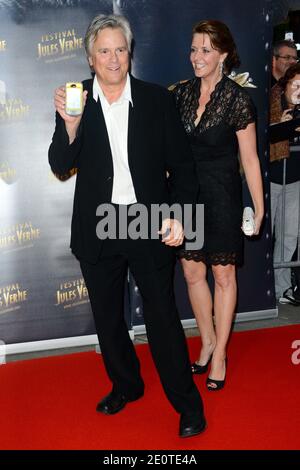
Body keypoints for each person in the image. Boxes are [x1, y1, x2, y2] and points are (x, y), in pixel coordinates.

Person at [48, 14, 206, 438]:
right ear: (90, 57)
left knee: (163, 319)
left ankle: (187, 404)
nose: (114, 58)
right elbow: (61, 165)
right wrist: (70, 126)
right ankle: (126, 385)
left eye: (121, 49)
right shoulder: (76, 100)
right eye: (104, 50)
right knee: (108, 318)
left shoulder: (157, 101)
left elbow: (184, 169)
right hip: (99, 224)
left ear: (130, 52)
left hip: (148, 220)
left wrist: (179, 215)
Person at [172, 20, 264, 390]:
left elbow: (252, 159)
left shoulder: (238, 99)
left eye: (206, 50)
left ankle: (221, 352)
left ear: (223, 54)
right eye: (194, 49)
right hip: (185, 196)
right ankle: (207, 340)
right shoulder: (180, 95)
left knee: (223, 276)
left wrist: (258, 209)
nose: (197, 57)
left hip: (222, 195)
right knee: (193, 274)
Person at [269, 63, 300, 304]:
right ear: (286, 83)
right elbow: (262, 135)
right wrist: (280, 124)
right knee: (265, 234)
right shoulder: (271, 100)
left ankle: (282, 289)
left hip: (295, 180)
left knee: (289, 235)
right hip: (271, 179)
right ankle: (262, 288)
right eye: (296, 84)